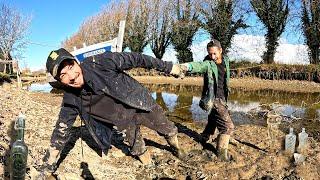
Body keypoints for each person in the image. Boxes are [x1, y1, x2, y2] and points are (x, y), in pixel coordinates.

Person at [38, 48, 186, 177]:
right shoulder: (71, 98)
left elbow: (137, 58)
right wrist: (47, 166)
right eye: (63, 75)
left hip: (138, 101)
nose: (71, 76)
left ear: (77, 62)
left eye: (70, 66)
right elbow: (61, 131)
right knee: (137, 147)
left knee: (167, 128)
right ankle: (148, 166)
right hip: (122, 119)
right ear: (59, 81)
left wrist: (169, 67)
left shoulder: (101, 62)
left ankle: (176, 147)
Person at [179, 39, 234, 161]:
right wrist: (186, 66)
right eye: (210, 54)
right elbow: (198, 66)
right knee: (228, 127)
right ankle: (221, 153)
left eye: (215, 53)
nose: (212, 56)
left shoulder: (226, 60)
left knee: (213, 120)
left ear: (221, 50)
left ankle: (204, 137)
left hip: (223, 96)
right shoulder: (208, 63)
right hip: (214, 98)